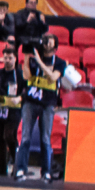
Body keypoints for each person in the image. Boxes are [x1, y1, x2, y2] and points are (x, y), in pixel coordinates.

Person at [13, 31, 60, 180]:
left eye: (50, 41)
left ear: (55, 46)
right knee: (25, 136)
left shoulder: (59, 62)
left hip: (48, 103)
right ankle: (20, 169)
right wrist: (27, 57)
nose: (47, 43)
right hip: (31, 101)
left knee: (45, 138)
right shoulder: (33, 60)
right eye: (45, 40)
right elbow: (27, 76)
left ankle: (46, 171)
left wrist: (40, 61)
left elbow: (53, 77)